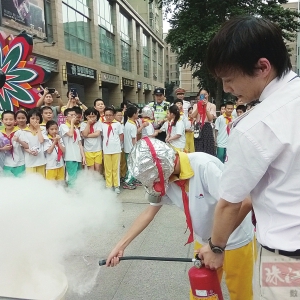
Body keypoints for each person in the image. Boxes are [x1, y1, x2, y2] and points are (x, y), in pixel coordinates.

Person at [198, 16, 300, 300]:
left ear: (262, 67)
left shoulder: (256, 126)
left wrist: (216, 247)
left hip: (287, 260)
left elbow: (231, 202)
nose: (228, 89)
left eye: (229, 79)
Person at [105, 138, 255, 300]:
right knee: (202, 292)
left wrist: (216, 245)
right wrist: (120, 246)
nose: (156, 185)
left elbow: (244, 202)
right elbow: (149, 212)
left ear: (163, 168)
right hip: (205, 241)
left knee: (241, 294)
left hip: (235, 239)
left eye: (156, 180)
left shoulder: (203, 166)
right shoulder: (164, 178)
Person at [59, 108, 85, 187]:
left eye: (75, 115)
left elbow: (79, 143)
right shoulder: (63, 126)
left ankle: (78, 193)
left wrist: (83, 156)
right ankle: (72, 194)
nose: (74, 117)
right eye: (72, 115)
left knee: (79, 177)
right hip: (70, 156)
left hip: (78, 156)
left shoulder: (76, 128)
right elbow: (70, 134)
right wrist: (72, 123)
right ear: (66, 117)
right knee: (72, 177)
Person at [102, 107, 123, 194]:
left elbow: (121, 135)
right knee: (108, 168)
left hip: (116, 149)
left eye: (110, 115)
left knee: (116, 168)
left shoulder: (117, 124)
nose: (108, 117)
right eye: (106, 115)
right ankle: (109, 185)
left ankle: (116, 185)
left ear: (113, 115)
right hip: (106, 149)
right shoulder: (102, 124)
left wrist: (119, 145)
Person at [0, 111, 28, 177]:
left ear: (15, 121)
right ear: (2, 120)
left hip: (20, 163)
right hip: (6, 164)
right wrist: (3, 149)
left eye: (11, 119)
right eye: (6, 119)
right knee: (8, 185)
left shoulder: (19, 132)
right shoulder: (0, 133)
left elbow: (27, 146)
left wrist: (19, 140)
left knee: (20, 184)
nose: (8, 121)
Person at [20, 108, 46, 177]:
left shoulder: (43, 130)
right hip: (29, 161)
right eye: (33, 118)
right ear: (29, 119)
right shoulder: (24, 131)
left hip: (41, 160)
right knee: (30, 182)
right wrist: (30, 151)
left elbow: (41, 141)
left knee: (42, 181)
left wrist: (38, 129)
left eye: (37, 119)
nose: (35, 121)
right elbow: (24, 146)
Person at [191, 88, 216, 155]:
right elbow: (193, 116)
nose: (204, 96)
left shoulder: (212, 105)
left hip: (207, 126)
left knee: (208, 148)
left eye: (205, 94)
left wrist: (205, 107)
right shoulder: (195, 105)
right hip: (198, 127)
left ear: (208, 94)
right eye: (202, 94)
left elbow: (210, 118)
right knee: (198, 147)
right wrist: (199, 107)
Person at [80, 108, 102, 173]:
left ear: (97, 116)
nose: (92, 118)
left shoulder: (98, 123)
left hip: (98, 149)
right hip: (88, 150)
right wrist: (88, 124)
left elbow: (97, 134)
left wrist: (86, 135)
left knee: (97, 168)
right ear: (86, 116)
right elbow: (84, 133)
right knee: (91, 169)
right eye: (89, 116)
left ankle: (98, 181)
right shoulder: (83, 124)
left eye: (93, 116)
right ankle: (92, 182)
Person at [123, 105, 139, 190]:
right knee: (132, 167)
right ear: (133, 114)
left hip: (127, 148)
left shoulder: (128, 123)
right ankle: (128, 182)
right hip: (131, 149)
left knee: (131, 166)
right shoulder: (132, 125)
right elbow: (134, 139)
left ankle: (131, 180)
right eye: (137, 113)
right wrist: (135, 148)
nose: (138, 114)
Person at [115, 108, 127, 182]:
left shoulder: (122, 124)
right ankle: (118, 177)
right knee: (117, 163)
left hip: (122, 146)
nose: (120, 116)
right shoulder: (114, 124)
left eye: (121, 115)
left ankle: (122, 176)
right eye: (118, 115)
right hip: (116, 147)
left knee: (123, 163)